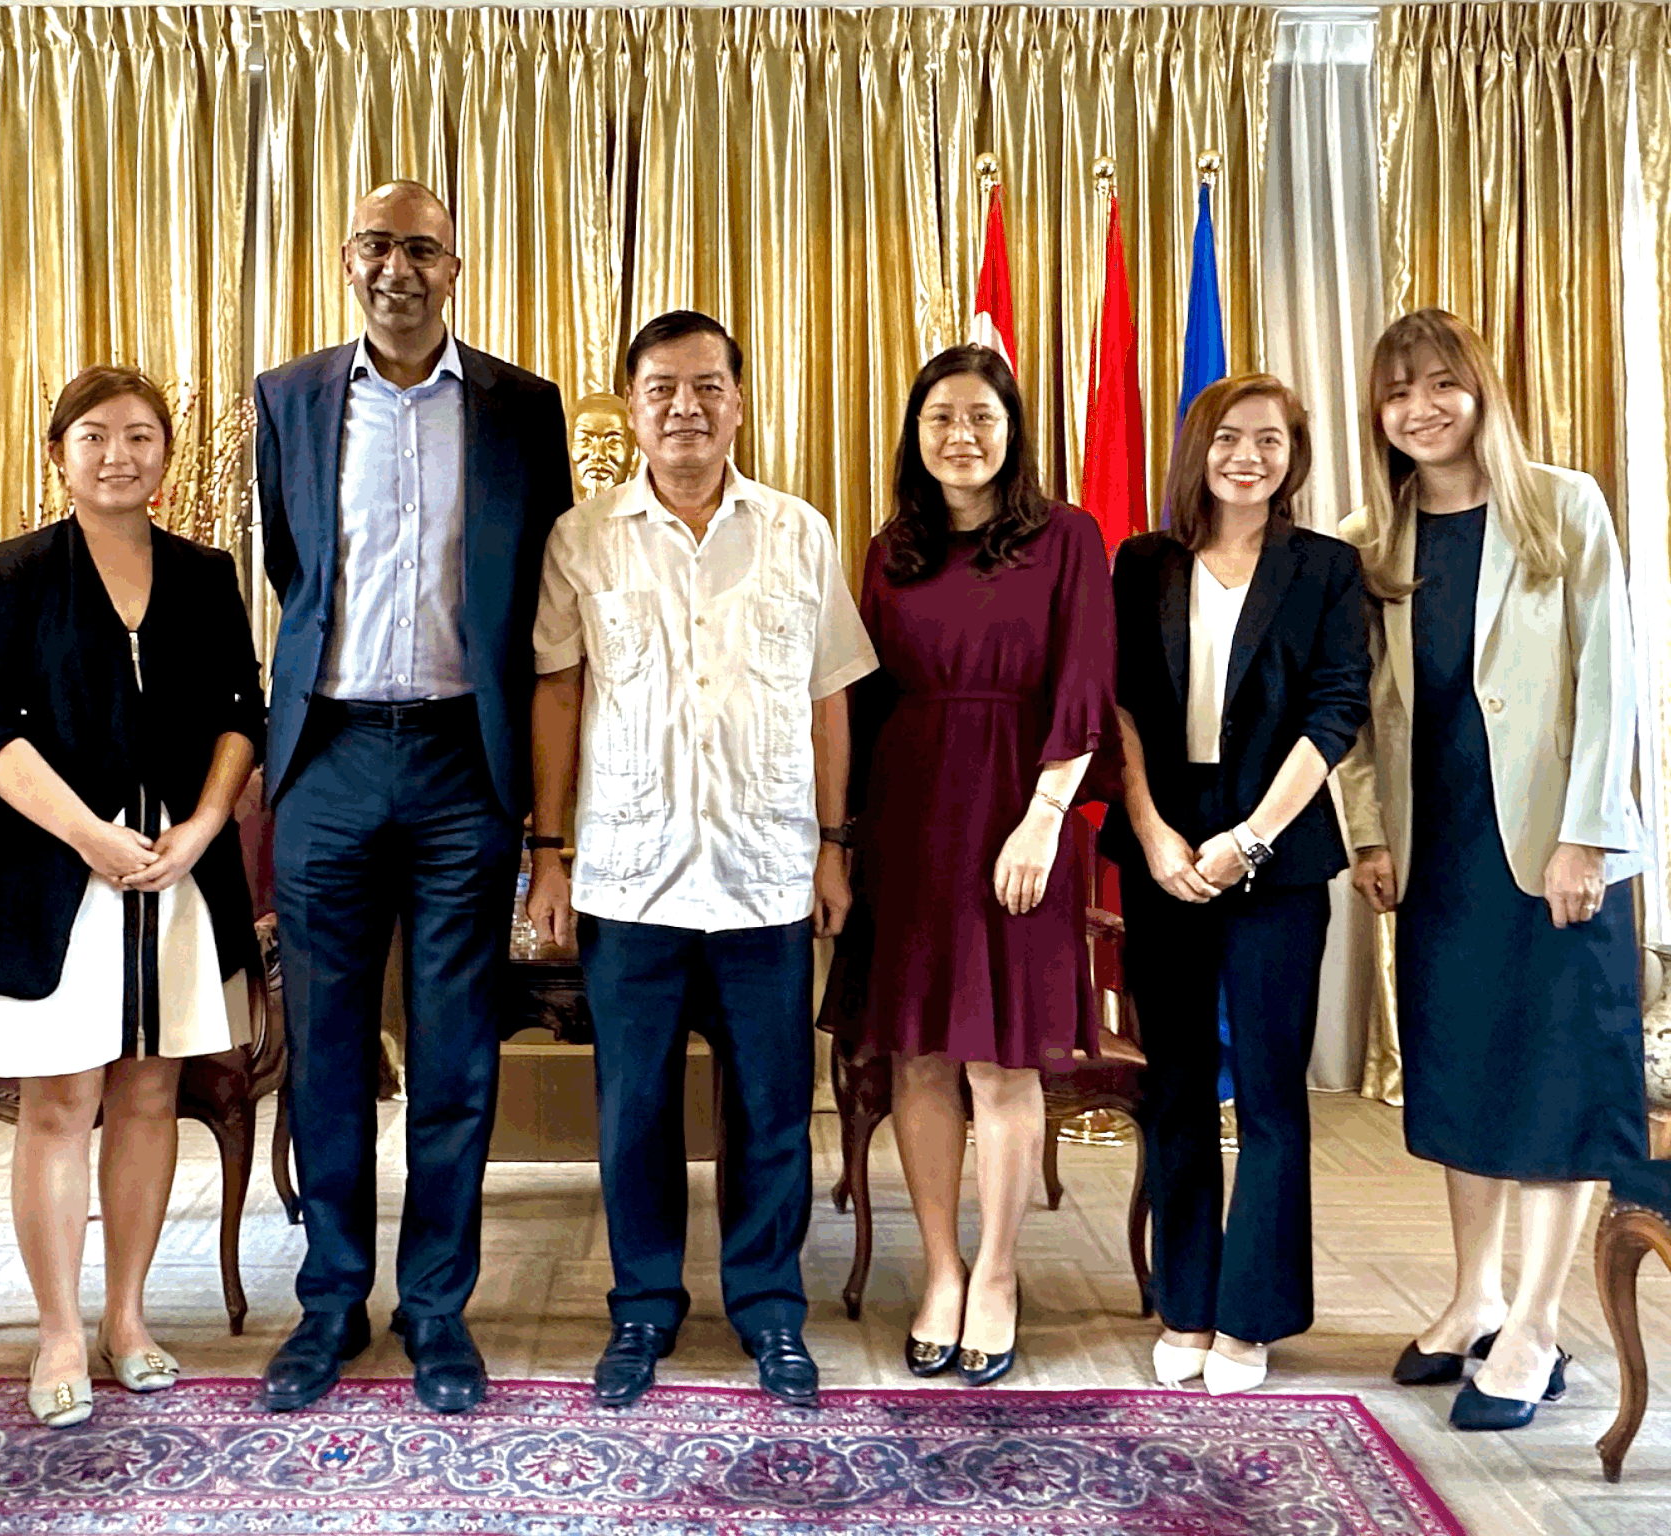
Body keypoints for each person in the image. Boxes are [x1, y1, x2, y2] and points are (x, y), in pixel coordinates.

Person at [255, 180, 573, 1415]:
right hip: (328, 758)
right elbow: (293, 571)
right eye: (376, 245)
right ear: (346, 261)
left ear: (457, 266)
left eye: (422, 249)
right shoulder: (287, 398)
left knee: (455, 1053)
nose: (398, 267)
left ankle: (436, 1307)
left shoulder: (519, 407)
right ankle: (330, 1301)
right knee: (327, 1047)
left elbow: (532, 575)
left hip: (461, 758)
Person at [527, 309, 878, 1409]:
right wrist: (550, 855)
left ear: (738, 400)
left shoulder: (798, 532)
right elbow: (559, 696)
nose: (685, 407)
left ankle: (769, 1311)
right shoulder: (581, 539)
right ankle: (641, 1309)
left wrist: (831, 845)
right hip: (629, 875)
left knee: (771, 1107)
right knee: (632, 1109)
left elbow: (828, 699)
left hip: (767, 871)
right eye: (661, 388)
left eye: (707, 386)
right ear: (629, 405)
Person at [1339, 308, 1648, 1432]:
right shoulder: (1369, 539)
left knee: (1554, 1083)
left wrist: (1587, 836)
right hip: (1440, 855)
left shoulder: (1560, 506)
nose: (1419, 407)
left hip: (1553, 851)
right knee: (1461, 1075)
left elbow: (1608, 683)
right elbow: (1361, 718)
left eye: (1439, 384)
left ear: (1480, 392)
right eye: (1395, 391)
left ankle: (1532, 1327)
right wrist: (1366, 833)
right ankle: (1470, 1294)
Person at [0, 367, 263, 1427]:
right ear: (59, 453)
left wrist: (203, 827)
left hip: (176, 872)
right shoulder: (19, 569)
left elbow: (240, 712)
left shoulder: (206, 573)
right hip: (53, 870)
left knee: (145, 1094)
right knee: (61, 1101)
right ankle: (57, 1331)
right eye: (94, 436)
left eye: (139, 436)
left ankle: (127, 1318)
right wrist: (87, 834)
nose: (117, 454)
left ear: (164, 458)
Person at [831, 344, 1113, 1387]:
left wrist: (1043, 817)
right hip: (907, 816)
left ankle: (997, 1274)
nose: (961, 435)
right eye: (940, 416)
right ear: (914, 433)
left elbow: (1085, 686)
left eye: (981, 417)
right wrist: (840, 839)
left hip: (1018, 815)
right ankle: (939, 1270)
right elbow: (855, 703)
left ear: (1012, 431)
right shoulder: (886, 550)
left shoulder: (1065, 539)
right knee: (915, 1057)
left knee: (999, 1062)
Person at [1104, 373, 1370, 1396]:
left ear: (1291, 455)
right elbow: (1117, 706)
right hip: (1161, 842)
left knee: (1265, 1091)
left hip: (1278, 847)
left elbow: (1333, 714)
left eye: (1268, 439)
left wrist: (1249, 839)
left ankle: (1249, 1318)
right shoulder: (1143, 563)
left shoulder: (1324, 570)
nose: (1245, 455)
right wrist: (1153, 832)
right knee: (1171, 1082)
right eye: (1227, 438)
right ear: (1196, 452)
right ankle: (1186, 1303)